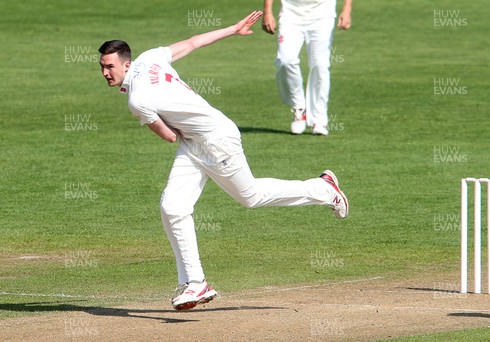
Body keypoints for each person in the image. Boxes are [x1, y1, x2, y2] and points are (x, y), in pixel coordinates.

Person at [98, 11, 349, 311]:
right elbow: (192, 43)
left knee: (251, 197)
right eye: (101, 67)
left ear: (126, 63)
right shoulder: (150, 58)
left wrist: (183, 124)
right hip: (194, 143)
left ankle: (324, 189)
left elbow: (167, 136)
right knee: (172, 208)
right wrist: (232, 28)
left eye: (110, 66)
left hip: (216, 140)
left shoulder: (136, 100)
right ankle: (195, 282)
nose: (105, 73)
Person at [262, 0, 352, 135]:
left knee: (320, 65)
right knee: (286, 60)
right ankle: (299, 109)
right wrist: (268, 12)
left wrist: (347, 9)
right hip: (290, 13)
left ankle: (319, 119)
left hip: (323, 14)